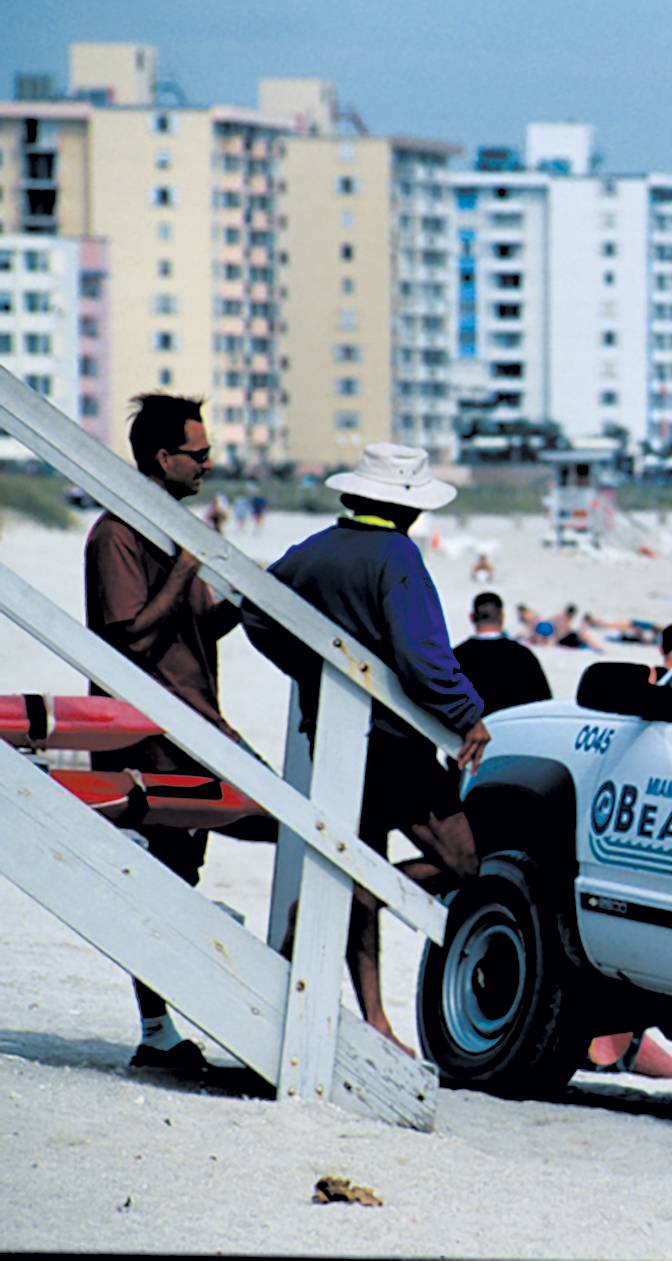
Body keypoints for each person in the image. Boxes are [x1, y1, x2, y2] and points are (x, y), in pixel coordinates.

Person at [242, 443, 487, 1053]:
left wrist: (309, 671)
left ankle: (376, 1017)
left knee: (362, 855)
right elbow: (425, 658)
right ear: (407, 507)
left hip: (333, 737)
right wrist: (468, 716)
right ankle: (344, 900)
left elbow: (257, 614)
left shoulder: (313, 550)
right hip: (395, 746)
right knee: (462, 863)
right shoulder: (397, 555)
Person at [84, 393, 247, 1072]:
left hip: (192, 724)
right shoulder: (119, 533)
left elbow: (194, 626)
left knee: (180, 871)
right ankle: (157, 1028)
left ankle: (166, 1021)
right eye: (199, 453)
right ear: (163, 458)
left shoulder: (164, 527)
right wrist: (185, 569)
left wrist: (242, 598)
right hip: (146, 734)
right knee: (158, 875)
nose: (209, 463)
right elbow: (126, 636)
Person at [454, 592, 551, 715]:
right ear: (502, 617)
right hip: (512, 730)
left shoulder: (456, 656)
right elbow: (543, 704)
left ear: (472, 617)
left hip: (468, 732)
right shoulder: (523, 656)